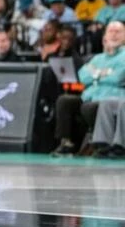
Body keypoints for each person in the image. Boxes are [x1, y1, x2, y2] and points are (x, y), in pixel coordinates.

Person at [53, 21, 125, 157]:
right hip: (88, 97)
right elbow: (82, 76)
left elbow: (118, 77)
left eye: (118, 32)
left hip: (111, 99)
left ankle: (96, 143)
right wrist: (103, 73)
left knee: (89, 107)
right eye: (111, 31)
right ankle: (66, 142)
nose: (114, 35)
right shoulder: (97, 58)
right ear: (105, 37)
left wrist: (94, 74)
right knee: (65, 101)